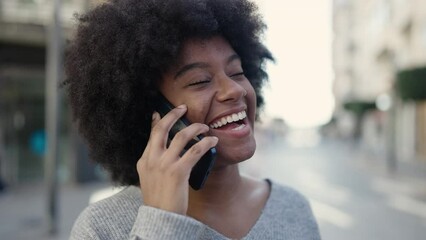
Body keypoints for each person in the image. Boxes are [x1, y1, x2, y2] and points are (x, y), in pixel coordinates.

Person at [65, 0, 321, 239]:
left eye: (237, 72)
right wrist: (161, 224)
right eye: (200, 81)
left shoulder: (294, 208)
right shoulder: (101, 228)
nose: (235, 89)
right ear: (152, 113)